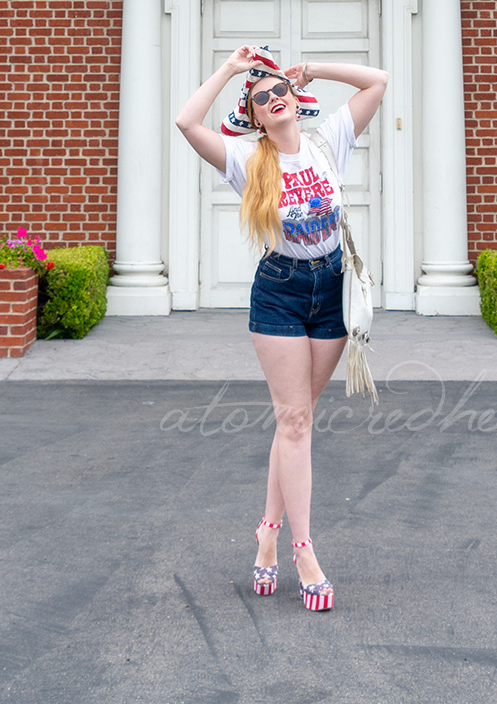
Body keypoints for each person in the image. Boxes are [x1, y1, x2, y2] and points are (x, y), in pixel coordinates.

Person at [176, 42, 388, 612]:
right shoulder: (247, 161)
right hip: (280, 292)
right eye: (260, 98)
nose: (272, 99)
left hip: (331, 289)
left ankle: (265, 532)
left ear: (295, 101)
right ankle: (303, 549)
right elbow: (185, 121)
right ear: (254, 115)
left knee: (295, 421)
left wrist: (310, 68)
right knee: (294, 422)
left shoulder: (327, 142)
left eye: (279, 92)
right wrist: (230, 69)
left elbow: (377, 81)